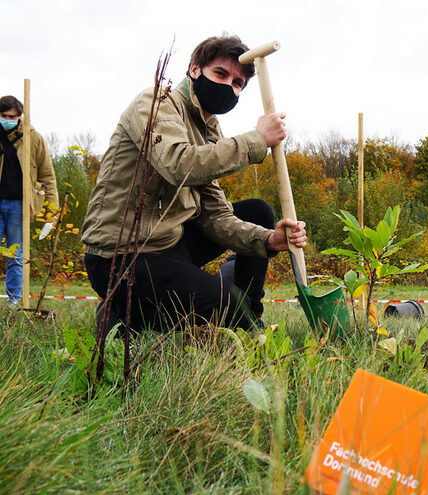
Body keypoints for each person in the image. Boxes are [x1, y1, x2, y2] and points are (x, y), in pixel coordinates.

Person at [81, 34, 305, 332]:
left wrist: (267, 240)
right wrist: (256, 140)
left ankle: (249, 322)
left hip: (169, 245)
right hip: (121, 256)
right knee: (226, 305)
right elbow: (177, 164)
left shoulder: (208, 128)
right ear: (195, 69)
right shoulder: (156, 103)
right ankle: (124, 313)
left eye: (238, 83)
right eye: (221, 74)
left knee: (258, 212)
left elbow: (215, 216)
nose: (228, 86)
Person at [0, 95, 59, 307]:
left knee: (16, 256)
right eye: (3, 116)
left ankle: (14, 303)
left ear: (20, 117)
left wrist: (52, 215)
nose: (7, 119)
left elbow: (48, 177)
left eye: (12, 117)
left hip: (19, 205)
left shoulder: (33, 138)